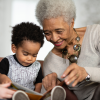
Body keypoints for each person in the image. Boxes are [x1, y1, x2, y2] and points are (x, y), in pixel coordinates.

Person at [35, 0, 100, 100]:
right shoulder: (50, 62)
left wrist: (86, 73)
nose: (54, 38)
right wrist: (51, 87)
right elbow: (47, 96)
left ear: (72, 22)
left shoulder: (96, 34)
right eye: (47, 33)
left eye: (59, 31)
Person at [0, 22, 44, 93]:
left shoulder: (37, 66)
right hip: (9, 95)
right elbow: (0, 74)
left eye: (34, 55)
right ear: (14, 48)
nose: (30, 59)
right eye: (25, 54)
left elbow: (39, 82)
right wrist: (2, 78)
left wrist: (36, 94)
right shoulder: (7, 62)